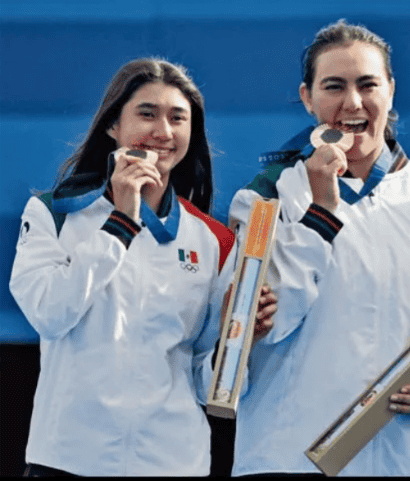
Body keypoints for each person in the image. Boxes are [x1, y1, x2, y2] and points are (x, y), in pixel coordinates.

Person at [226, 19, 410, 476]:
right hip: (288, 458)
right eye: (334, 86)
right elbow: (263, 324)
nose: (352, 103)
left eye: (368, 84)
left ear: (391, 90)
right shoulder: (264, 199)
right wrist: (320, 213)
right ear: (308, 97)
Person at [9, 57, 276, 476]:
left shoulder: (214, 240)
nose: (163, 132)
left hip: (172, 462)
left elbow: (209, 387)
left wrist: (238, 340)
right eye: (147, 114)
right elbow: (49, 313)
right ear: (113, 126)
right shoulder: (54, 213)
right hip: (68, 459)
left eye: (178, 118)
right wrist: (120, 222)